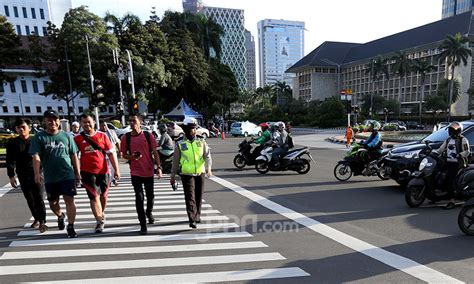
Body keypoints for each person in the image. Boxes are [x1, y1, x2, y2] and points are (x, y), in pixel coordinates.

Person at [29, 110, 81, 238]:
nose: (53, 122)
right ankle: (60, 215)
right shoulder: (39, 137)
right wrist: (37, 173)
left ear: (59, 121)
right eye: (49, 120)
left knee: (70, 200)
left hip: (67, 174)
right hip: (51, 177)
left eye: (55, 119)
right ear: (44, 121)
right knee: (53, 203)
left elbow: (74, 155)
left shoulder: (67, 136)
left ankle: (71, 226)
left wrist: (77, 173)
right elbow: (35, 156)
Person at [75, 114, 120, 233]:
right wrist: (77, 172)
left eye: (89, 122)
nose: (86, 124)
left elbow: (111, 153)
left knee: (103, 196)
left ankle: (101, 212)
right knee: (94, 197)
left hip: (103, 171)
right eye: (84, 122)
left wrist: (117, 170)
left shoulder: (102, 136)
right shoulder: (78, 138)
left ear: (94, 122)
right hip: (87, 173)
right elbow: (74, 156)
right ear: (81, 123)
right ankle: (99, 221)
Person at [120, 113, 162, 235]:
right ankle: (143, 224)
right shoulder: (126, 137)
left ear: (140, 122)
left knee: (151, 197)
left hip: (148, 171)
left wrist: (158, 167)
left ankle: (149, 212)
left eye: (134, 120)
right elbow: (123, 155)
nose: (132, 123)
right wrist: (132, 157)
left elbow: (155, 153)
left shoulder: (148, 136)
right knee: (139, 198)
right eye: (130, 121)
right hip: (135, 172)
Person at [6, 117, 48, 233]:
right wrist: (11, 176)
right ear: (15, 129)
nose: (21, 130)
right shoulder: (12, 143)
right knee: (29, 198)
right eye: (18, 128)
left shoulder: (36, 140)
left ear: (29, 128)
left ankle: (42, 221)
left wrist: (43, 171)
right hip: (23, 175)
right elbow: (10, 160)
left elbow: (44, 156)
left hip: (38, 173)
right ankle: (37, 218)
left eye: (23, 127)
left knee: (39, 197)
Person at [170, 118, 212, 229]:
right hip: (186, 173)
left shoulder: (201, 141)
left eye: (195, 128)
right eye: (192, 129)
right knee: (190, 196)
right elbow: (175, 160)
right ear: (187, 129)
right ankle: (191, 218)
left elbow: (207, 155)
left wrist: (208, 168)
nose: (194, 131)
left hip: (200, 172)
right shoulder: (180, 143)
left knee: (199, 195)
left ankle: (197, 215)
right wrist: (172, 175)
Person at [435, 121, 470, 209]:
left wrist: (459, 155)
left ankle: (452, 201)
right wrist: (433, 152)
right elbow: (441, 149)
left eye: (453, 130)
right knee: (438, 174)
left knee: (450, 180)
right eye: (450, 130)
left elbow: (467, 151)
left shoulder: (463, 140)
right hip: (448, 162)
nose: (451, 132)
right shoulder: (448, 140)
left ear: (458, 131)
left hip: (458, 163)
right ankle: (437, 194)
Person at [99, 120, 121, 186]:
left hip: (112, 152)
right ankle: (109, 180)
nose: (104, 127)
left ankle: (114, 179)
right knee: (107, 168)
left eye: (105, 125)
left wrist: (120, 150)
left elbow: (117, 142)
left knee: (114, 167)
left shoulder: (111, 132)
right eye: (102, 125)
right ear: (100, 126)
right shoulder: (98, 133)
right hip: (103, 153)